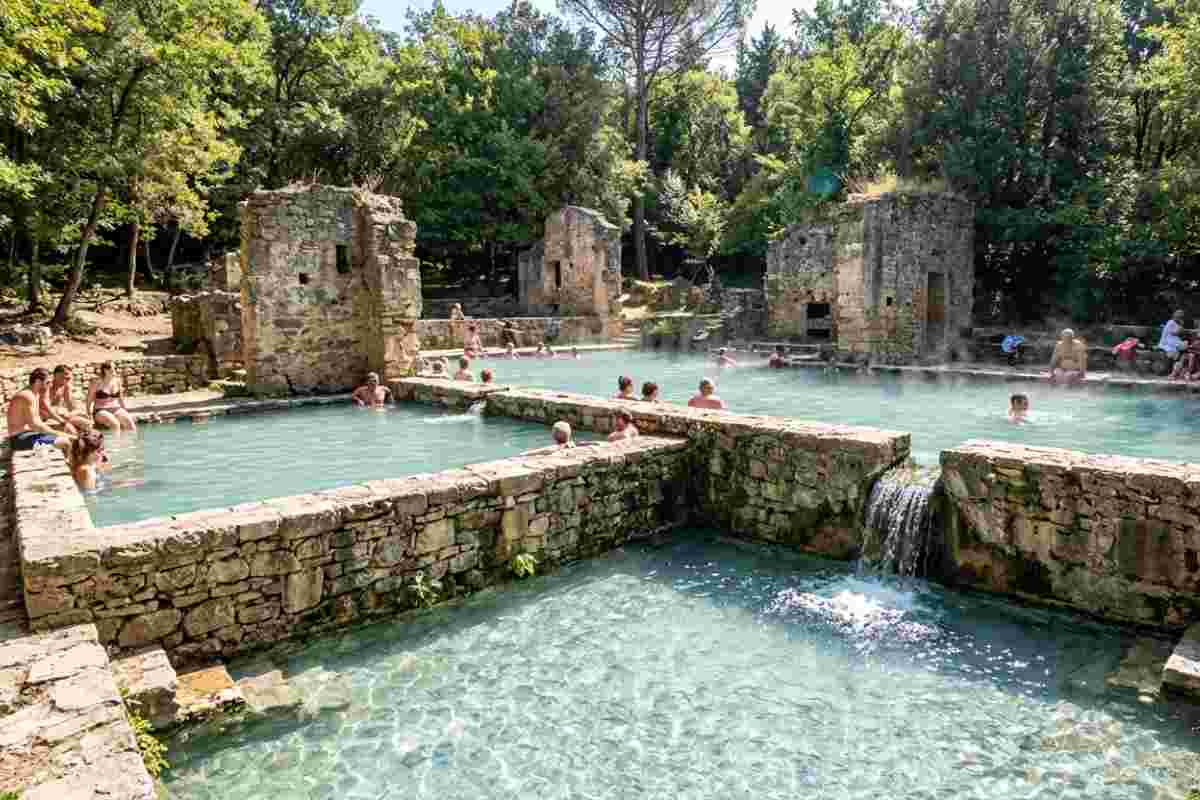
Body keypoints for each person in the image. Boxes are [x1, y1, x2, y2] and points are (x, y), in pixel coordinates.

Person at [6, 369, 70, 453]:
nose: (50, 385)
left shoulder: (35, 394)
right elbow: (35, 424)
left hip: (28, 434)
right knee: (65, 442)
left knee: (65, 432)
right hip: (19, 439)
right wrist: (58, 433)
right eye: (47, 382)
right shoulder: (27, 396)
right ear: (38, 382)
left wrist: (59, 427)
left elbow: (39, 420)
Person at [87, 362, 137, 431]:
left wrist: (125, 411)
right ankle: (115, 439)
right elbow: (89, 399)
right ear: (105, 370)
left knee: (130, 423)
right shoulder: (96, 382)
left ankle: (130, 438)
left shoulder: (117, 381)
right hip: (100, 410)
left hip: (116, 408)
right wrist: (89, 414)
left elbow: (121, 399)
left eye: (115, 368)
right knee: (115, 424)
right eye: (113, 368)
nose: (115, 370)